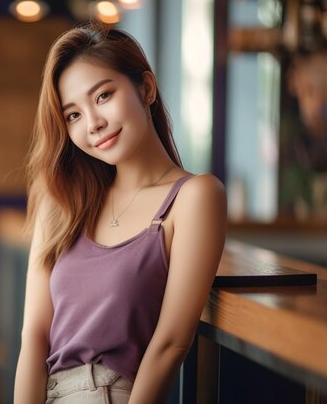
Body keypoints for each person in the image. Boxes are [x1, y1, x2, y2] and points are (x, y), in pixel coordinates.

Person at [13, 22, 227, 404]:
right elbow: (33, 337)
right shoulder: (61, 200)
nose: (93, 123)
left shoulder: (194, 197)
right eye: (73, 115)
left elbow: (170, 344)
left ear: (146, 88)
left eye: (104, 95)